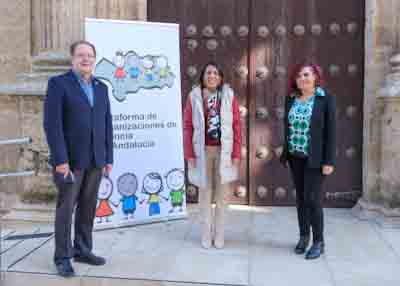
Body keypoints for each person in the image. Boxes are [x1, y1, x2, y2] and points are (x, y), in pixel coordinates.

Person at [43, 40, 113, 277]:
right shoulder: (58, 84)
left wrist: (107, 157)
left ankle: (83, 249)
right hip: (70, 162)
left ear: (94, 59)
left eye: (90, 55)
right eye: (81, 55)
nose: (86, 59)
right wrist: (61, 160)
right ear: (72, 59)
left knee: (87, 208)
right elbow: (52, 126)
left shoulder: (101, 87)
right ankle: (62, 257)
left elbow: (107, 124)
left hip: (95, 160)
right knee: (66, 210)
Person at [280, 61, 336, 259]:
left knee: (313, 199)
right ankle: (304, 236)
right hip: (296, 156)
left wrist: (329, 161)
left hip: (316, 159)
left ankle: (319, 241)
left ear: (315, 77)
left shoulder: (325, 99)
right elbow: (287, 126)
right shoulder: (291, 99)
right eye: (299, 75)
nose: (302, 78)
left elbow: (331, 133)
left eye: (306, 75)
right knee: (301, 199)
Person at [184, 62, 241, 249]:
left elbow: (236, 125)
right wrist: (189, 153)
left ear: (221, 77)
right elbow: (187, 126)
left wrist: (236, 152)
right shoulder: (194, 97)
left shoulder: (228, 96)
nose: (212, 76)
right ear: (203, 76)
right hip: (202, 152)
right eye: (208, 72)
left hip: (223, 151)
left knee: (222, 195)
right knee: (205, 194)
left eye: (216, 73)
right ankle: (206, 233)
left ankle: (220, 233)